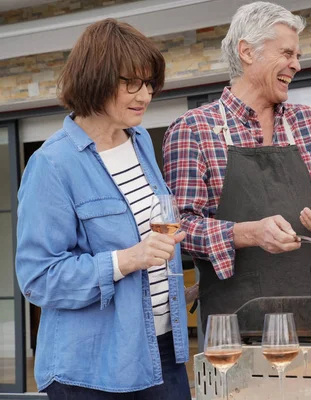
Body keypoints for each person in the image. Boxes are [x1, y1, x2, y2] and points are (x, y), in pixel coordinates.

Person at [15, 19, 190, 399]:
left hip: (160, 349)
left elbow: (149, 229)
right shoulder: (52, 164)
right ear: (96, 78)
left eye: (149, 84)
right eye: (131, 82)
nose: (144, 94)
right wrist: (126, 259)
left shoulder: (140, 141)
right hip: (91, 369)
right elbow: (38, 277)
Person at [163, 1, 311, 330]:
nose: (296, 65)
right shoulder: (193, 130)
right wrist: (249, 233)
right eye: (287, 53)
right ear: (247, 52)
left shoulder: (309, 123)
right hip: (235, 323)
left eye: (297, 55)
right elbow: (181, 228)